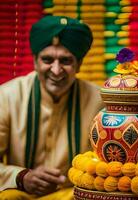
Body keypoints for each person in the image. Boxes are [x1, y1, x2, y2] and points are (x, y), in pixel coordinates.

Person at [0, 16, 104, 199]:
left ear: (79, 64)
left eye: (65, 61)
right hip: (22, 193)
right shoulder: (7, 96)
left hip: (73, 195)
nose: (56, 71)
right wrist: (21, 176)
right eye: (47, 60)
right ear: (35, 61)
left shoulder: (99, 101)